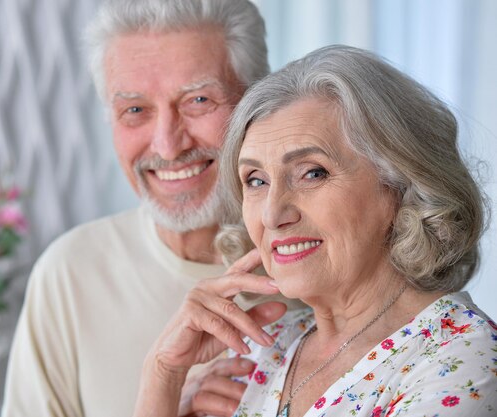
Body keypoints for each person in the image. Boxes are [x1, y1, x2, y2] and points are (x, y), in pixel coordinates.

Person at [133, 45, 497, 417]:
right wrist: (163, 374)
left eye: (312, 172)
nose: (273, 213)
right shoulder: (266, 346)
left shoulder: (461, 359)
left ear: (400, 186)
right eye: (255, 180)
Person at [1, 1, 303, 416]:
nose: (167, 144)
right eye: (135, 110)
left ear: (257, 102)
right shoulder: (69, 273)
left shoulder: (316, 260)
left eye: (198, 99)